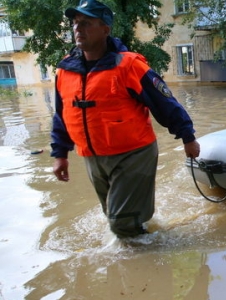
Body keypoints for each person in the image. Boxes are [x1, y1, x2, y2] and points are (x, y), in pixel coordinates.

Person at [50, 0, 200, 238]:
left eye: (86, 23)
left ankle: (145, 266)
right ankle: (146, 234)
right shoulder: (65, 70)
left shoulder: (129, 65)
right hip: (92, 157)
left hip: (133, 154)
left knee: (120, 225)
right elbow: (62, 115)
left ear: (105, 29)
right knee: (113, 216)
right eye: (76, 23)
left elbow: (165, 103)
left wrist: (188, 137)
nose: (78, 29)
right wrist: (60, 154)